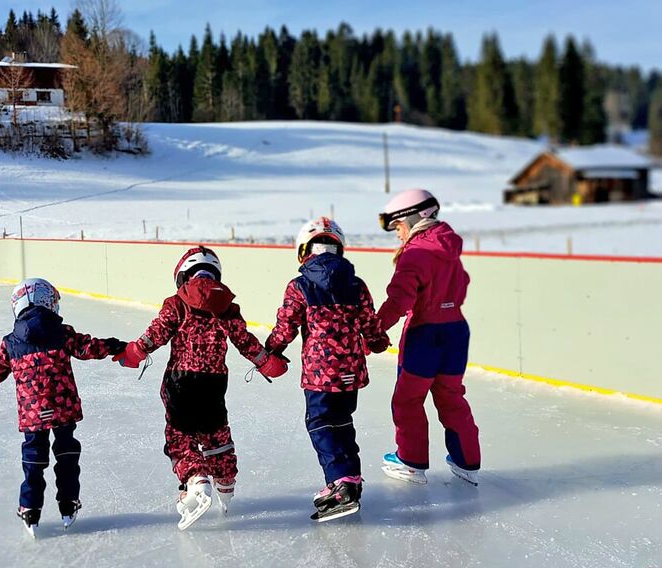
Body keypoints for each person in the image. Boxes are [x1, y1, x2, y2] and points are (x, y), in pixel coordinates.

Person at [113, 246, 288, 530]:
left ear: (183, 275)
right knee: (215, 432)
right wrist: (268, 363)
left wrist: (134, 353)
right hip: (214, 383)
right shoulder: (227, 307)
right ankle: (225, 482)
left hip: (181, 381)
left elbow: (156, 334)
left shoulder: (177, 303)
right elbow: (246, 342)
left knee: (180, 434)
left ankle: (196, 479)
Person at [0, 278, 127, 537]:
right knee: (67, 454)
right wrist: (114, 345)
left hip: (33, 414)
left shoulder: (11, 342)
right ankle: (68, 502)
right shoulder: (62, 333)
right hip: (63, 409)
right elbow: (88, 347)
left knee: (34, 458)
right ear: (47, 302)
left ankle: (30, 507)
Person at [264, 217, 390, 522]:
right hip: (351, 372)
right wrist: (377, 342)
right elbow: (370, 323)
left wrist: (271, 351)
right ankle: (351, 480)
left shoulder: (300, 285)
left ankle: (340, 482)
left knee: (321, 423)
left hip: (320, 374)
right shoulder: (356, 284)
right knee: (343, 422)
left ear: (303, 250)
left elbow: (286, 326)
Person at [376, 189, 480, 486]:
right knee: (451, 396)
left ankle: (410, 462)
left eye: (397, 227)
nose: (398, 235)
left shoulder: (416, 252)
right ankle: (467, 461)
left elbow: (400, 299)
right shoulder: (448, 246)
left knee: (408, 400)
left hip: (425, 334)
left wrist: (374, 329)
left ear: (411, 219)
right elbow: (462, 284)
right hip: (456, 331)